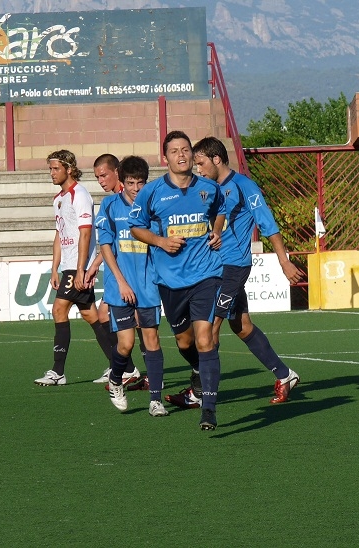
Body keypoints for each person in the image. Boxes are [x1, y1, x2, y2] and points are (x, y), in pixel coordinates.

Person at [166, 136, 303, 408]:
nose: (199, 168)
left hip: (233, 268)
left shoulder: (244, 186)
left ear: (217, 159)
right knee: (241, 325)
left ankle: (199, 393)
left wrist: (284, 261)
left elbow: (268, 224)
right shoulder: (206, 189)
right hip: (213, 268)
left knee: (210, 330)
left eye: (202, 162)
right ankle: (285, 375)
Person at [128, 130, 226, 430]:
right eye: (174, 151)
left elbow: (220, 211)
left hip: (205, 274)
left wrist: (217, 230)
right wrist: (159, 241)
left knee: (205, 338)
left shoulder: (208, 187)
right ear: (165, 157)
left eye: (185, 149)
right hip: (170, 281)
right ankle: (196, 367)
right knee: (184, 342)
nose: (181, 155)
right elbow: (135, 227)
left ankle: (208, 407)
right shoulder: (152, 192)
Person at [34, 150, 115, 386]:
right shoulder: (58, 199)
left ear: (69, 169)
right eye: (50, 168)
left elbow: (86, 232)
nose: (51, 173)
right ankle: (122, 366)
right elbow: (60, 234)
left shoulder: (80, 194)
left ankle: (58, 371)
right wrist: (54, 268)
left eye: (55, 168)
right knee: (91, 315)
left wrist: (80, 269)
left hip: (79, 266)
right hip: (69, 266)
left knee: (59, 310)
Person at [96, 155, 167, 416]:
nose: (136, 188)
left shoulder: (153, 206)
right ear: (122, 181)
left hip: (148, 285)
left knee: (152, 340)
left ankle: (156, 400)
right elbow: (106, 246)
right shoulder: (110, 206)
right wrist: (121, 283)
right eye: (131, 182)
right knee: (125, 344)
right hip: (120, 286)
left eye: (140, 182)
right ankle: (116, 381)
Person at [86, 153, 142, 386]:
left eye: (104, 175)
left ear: (117, 172)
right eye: (97, 177)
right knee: (103, 315)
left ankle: (131, 370)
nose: (100, 181)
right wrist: (97, 263)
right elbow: (110, 240)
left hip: (128, 268)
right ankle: (125, 368)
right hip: (113, 268)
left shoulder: (129, 197)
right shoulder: (111, 201)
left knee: (139, 321)